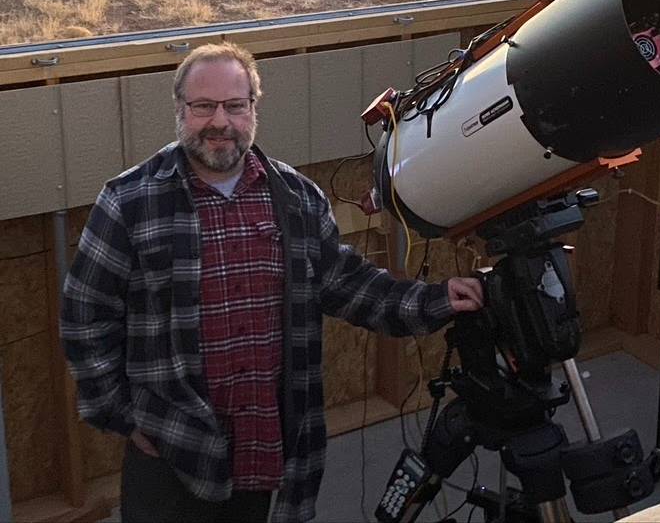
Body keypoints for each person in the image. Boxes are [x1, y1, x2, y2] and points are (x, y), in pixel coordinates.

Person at [60, 42, 484, 523]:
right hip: (173, 452)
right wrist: (122, 416)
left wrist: (434, 299)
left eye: (234, 106)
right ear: (180, 110)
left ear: (252, 110)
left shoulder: (297, 198)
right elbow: (84, 318)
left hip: (272, 453)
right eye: (203, 106)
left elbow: (349, 285)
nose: (219, 121)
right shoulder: (129, 202)